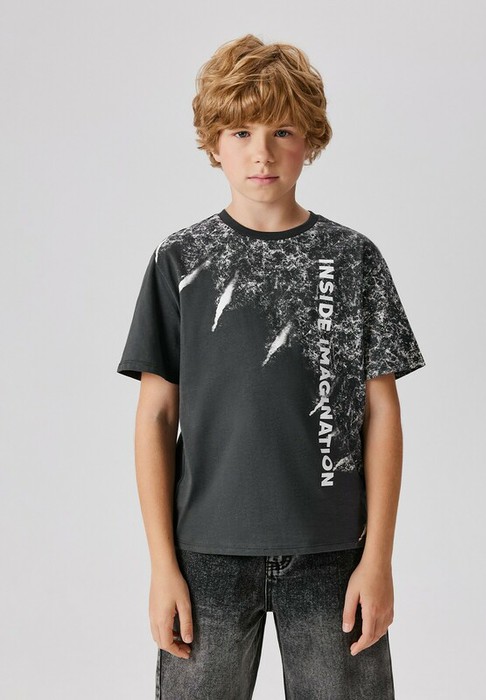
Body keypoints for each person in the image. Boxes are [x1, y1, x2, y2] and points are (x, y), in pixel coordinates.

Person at [117, 33, 425, 700]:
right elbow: (156, 417)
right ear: (213, 143)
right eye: (240, 132)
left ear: (309, 140)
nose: (261, 152)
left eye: (281, 131)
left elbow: (382, 414)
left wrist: (378, 560)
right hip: (205, 557)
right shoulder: (180, 260)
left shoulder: (353, 259)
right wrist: (162, 566)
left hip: (332, 555)